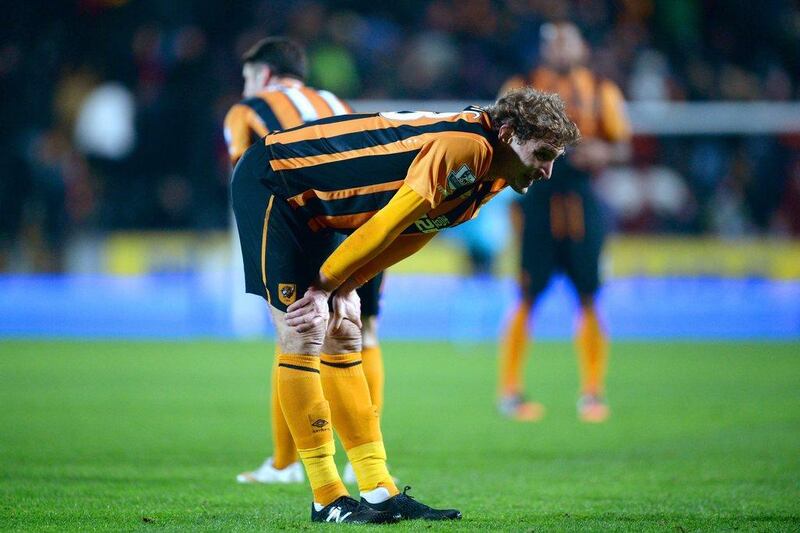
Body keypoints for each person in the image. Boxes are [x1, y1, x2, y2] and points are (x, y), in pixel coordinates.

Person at [231, 87, 579, 523]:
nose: (547, 171)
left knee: (344, 331)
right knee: (303, 330)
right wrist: (324, 287)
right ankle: (325, 497)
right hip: (275, 183)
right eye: (542, 154)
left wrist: (349, 283)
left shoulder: (491, 173)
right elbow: (391, 220)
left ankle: (378, 490)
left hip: (317, 204)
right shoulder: (464, 148)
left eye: (554, 159)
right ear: (509, 133)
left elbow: (417, 230)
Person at [223, 37, 387, 485]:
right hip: (363, 223)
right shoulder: (337, 101)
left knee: (295, 333)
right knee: (362, 332)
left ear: (266, 74)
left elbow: (249, 177)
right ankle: (363, 459)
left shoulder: (249, 108)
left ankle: (285, 463)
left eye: (248, 77)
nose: (246, 86)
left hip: (301, 227)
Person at [496, 21, 631, 423]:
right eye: (551, 42)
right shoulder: (520, 85)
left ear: (581, 46)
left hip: (581, 202)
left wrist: (602, 155)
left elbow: (622, 143)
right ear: (543, 49)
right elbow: (494, 133)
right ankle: (509, 392)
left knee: (589, 293)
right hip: (536, 201)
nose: (558, 48)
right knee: (526, 294)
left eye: (565, 40)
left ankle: (592, 392)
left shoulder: (602, 89)